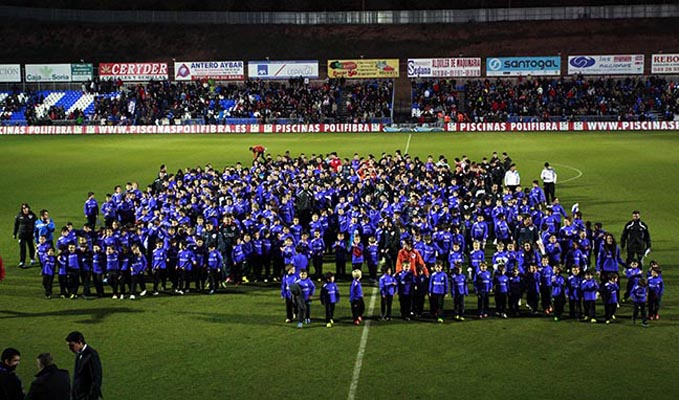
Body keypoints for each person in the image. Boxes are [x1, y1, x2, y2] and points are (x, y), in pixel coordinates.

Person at [65, 331, 103, 400]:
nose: (70, 348)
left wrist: (90, 397)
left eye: (71, 345)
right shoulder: (78, 354)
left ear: (79, 342)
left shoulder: (92, 355)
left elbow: (96, 379)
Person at [13, 203, 37, 268]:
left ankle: (32, 259)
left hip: (30, 234)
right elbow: (16, 225)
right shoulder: (19, 215)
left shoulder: (32, 215)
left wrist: (35, 233)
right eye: (23, 208)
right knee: (22, 249)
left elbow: (36, 224)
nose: (25, 209)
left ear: (28, 208)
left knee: (31, 247)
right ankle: (22, 261)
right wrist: (14, 233)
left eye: (26, 208)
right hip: (22, 234)